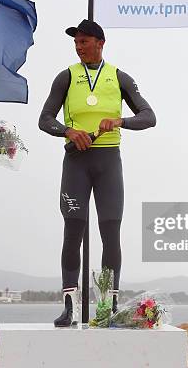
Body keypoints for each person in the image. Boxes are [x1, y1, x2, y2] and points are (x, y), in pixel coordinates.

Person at [39, 19, 156, 327]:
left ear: (100, 43)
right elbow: (44, 119)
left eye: (84, 42)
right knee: (72, 232)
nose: (78, 47)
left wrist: (120, 122)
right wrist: (68, 131)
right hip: (76, 163)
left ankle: (109, 306)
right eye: (75, 43)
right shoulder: (66, 77)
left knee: (110, 233)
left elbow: (149, 116)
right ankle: (69, 307)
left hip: (108, 163)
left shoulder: (119, 77)